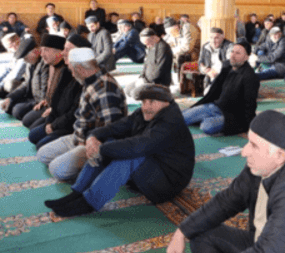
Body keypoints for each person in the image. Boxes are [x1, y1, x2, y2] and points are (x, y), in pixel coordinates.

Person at [167, 110, 285, 253]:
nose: (244, 151)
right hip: (270, 242)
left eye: (254, 146)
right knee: (201, 234)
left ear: (279, 155)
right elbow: (226, 201)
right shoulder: (261, 166)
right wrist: (182, 232)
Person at [44, 84, 195, 218]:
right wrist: (94, 137)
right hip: (153, 165)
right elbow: (117, 126)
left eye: (152, 102)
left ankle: (88, 203)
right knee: (110, 142)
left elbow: (139, 146)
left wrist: (100, 149)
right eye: (143, 102)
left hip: (169, 180)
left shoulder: (170, 122)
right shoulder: (147, 113)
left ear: (166, 103)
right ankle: (77, 192)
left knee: (128, 156)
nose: (146, 106)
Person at [36, 48, 127, 181]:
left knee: (57, 169)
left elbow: (111, 130)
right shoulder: (90, 80)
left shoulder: (105, 90)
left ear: (80, 68)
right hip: (79, 135)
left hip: (93, 142)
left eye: (72, 70)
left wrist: (85, 145)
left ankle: (100, 170)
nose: (72, 74)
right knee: (42, 154)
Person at [183, 41, 259, 135]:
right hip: (215, 107)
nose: (233, 55)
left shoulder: (250, 76)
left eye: (238, 53)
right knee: (183, 117)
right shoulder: (227, 66)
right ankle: (205, 116)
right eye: (232, 52)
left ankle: (206, 118)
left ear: (246, 57)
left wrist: (248, 125)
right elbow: (215, 90)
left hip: (233, 115)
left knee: (207, 126)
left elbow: (250, 104)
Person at [28, 34, 90, 149]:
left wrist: (54, 126)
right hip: (59, 118)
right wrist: (49, 122)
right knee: (33, 135)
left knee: (41, 146)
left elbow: (75, 112)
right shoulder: (66, 71)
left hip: (70, 125)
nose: (63, 53)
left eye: (67, 50)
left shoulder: (85, 77)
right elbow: (55, 100)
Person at [20, 34, 67, 129]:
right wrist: (45, 100)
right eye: (42, 50)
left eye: (46, 50)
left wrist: (53, 108)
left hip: (59, 111)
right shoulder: (50, 64)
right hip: (48, 104)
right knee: (26, 121)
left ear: (58, 51)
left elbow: (66, 98)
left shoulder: (66, 70)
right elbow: (49, 88)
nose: (41, 54)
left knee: (34, 131)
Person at [1, 38, 48, 120]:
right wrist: (10, 97)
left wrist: (37, 103)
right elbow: (26, 84)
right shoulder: (30, 64)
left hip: (38, 100)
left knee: (18, 110)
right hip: (30, 96)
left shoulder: (44, 64)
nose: (24, 60)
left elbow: (45, 90)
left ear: (35, 52)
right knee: (9, 105)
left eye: (25, 57)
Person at [124, 29, 174, 99]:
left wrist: (145, 81)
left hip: (157, 83)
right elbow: (146, 64)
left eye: (148, 43)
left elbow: (159, 70)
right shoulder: (152, 45)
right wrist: (141, 76)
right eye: (145, 44)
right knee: (127, 89)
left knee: (135, 93)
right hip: (147, 79)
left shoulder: (163, 48)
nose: (147, 46)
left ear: (154, 37)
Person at [0, 33, 26, 98]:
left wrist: (1, 84)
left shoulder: (23, 56)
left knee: (10, 83)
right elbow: (8, 69)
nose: (8, 49)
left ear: (15, 43)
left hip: (22, 82)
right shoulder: (16, 53)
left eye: (9, 46)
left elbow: (15, 75)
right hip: (12, 79)